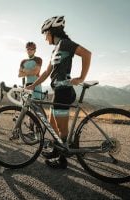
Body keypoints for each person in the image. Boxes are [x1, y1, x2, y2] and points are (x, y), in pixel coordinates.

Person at [26, 16, 91, 169]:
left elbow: (87, 54)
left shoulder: (65, 43)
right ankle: (56, 150)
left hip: (64, 91)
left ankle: (63, 159)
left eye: (45, 33)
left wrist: (82, 77)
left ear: (51, 31)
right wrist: (32, 86)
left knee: (61, 128)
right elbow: (46, 73)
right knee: (52, 124)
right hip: (57, 91)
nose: (45, 37)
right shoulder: (55, 49)